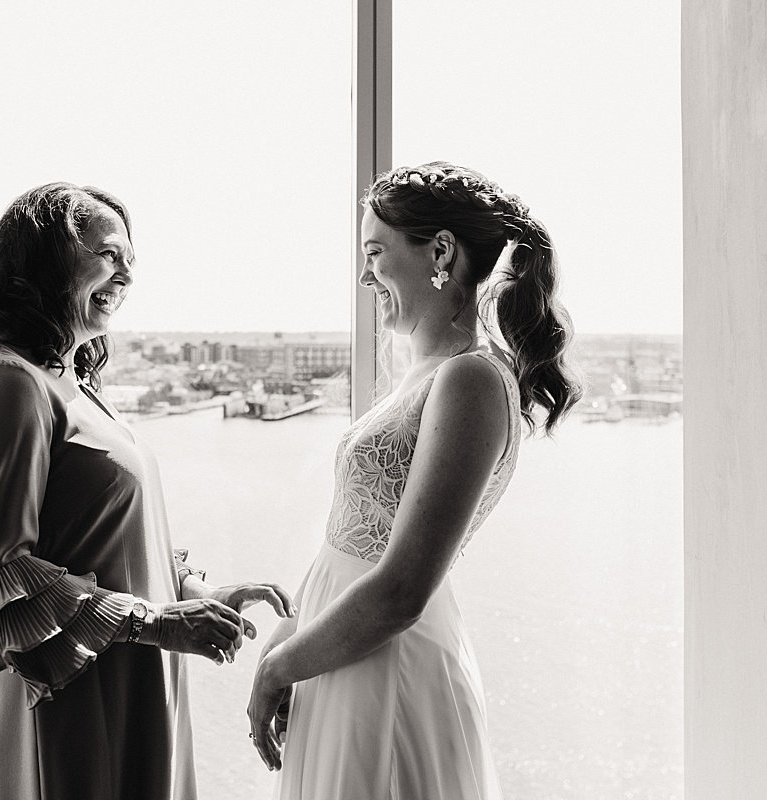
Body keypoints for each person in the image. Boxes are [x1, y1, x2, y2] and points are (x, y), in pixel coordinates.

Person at [0, 182, 294, 800]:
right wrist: (155, 623)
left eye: (131, 258)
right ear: (48, 258)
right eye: (107, 253)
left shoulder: (72, 381)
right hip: (61, 701)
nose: (127, 273)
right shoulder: (5, 382)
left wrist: (196, 591)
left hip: (125, 682)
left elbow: (107, 533)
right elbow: (0, 575)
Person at [247, 162, 580, 799]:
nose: (365, 274)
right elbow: (354, 539)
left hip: (388, 671)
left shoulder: (470, 380)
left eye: (376, 252)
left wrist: (276, 672)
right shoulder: (424, 372)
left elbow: (402, 589)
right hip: (345, 658)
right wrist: (292, 639)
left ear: (442, 252)